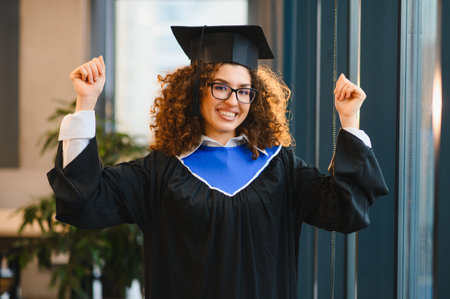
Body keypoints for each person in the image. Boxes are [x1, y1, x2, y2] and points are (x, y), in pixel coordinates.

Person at [48, 25, 388, 299]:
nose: (233, 101)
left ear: (254, 99)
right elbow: (84, 202)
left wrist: (349, 121)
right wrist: (85, 103)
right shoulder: (160, 172)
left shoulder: (279, 167)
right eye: (220, 87)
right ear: (195, 90)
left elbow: (346, 209)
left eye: (244, 90)